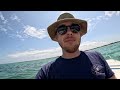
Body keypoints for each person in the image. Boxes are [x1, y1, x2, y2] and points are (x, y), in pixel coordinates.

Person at [35, 13, 117, 79]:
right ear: (56, 37)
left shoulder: (97, 56)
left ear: (80, 34)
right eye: (62, 29)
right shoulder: (45, 73)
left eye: (74, 28)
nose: (69, 32)